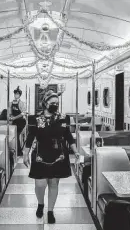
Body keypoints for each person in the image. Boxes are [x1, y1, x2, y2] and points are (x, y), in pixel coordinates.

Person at [23, 90, 79, 224]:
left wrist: (75, 151)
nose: (55, 105)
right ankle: (41, 204)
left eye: (57, 103)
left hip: (58, 154)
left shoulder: (63, 118)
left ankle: (50, 211)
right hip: (40, 154)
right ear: (45, 103)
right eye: (52, 103)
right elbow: (30, 138)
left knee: (54, 183)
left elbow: (68, 137)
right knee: (40, 183)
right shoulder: (35, 119)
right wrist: (25, 154)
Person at [9, 86, 27, 156]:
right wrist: (10, 116)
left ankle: (19, 152)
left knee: (16, 135)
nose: (16, 95)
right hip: (14, 121)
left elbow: (23, 113)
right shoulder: (11, 103)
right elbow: (10, 112)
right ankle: (16, 151)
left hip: (21, 121)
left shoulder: (21, 103)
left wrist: (14, 118)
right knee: (13, 135)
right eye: (15, 94)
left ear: (19, 95)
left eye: (17, 94)